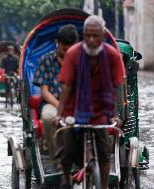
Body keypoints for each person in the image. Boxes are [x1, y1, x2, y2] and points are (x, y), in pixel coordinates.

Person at [55, 15, 124, 189]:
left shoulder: (112, 55)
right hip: (75, 109)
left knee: (104, 152)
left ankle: (105, 186)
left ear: (103, 35)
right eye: (88, 35)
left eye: (96, 36)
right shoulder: (73, 54)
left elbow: (117, 87)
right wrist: (60, 114)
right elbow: (67, 87)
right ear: (83, 35)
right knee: (68, 149)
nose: (92, 40)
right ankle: (65, 177)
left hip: (101, 111)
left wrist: (115, 115)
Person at [33, 25, 79, 157]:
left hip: (76, 103)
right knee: (48, 118)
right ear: (57, 43)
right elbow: (44, 91)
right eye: (64, 49)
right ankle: (55, 156)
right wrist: (61, 106)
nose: (67, 53)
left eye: (71, 49)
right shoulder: (46, 60)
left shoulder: (80, 60)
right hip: (52, 103)